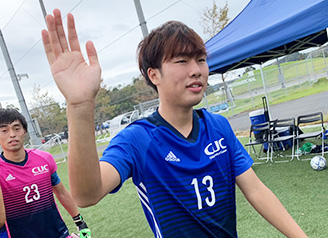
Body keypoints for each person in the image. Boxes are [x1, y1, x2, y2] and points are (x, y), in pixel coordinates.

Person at [41, 9, 308, 237]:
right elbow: (87, 195)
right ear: (153, 74)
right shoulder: (138, 139)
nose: (196, 69)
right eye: (182, 61)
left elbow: (256, 189)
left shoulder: (219, 127)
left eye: (200, 59)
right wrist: (79, 106)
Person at [0, 109, 91, 238]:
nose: (12, 135)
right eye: (4, 130)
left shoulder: (44, 159)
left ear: (25, 131)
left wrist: (79, 221)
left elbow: (61, 192)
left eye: (16, 128)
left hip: (57, 233)